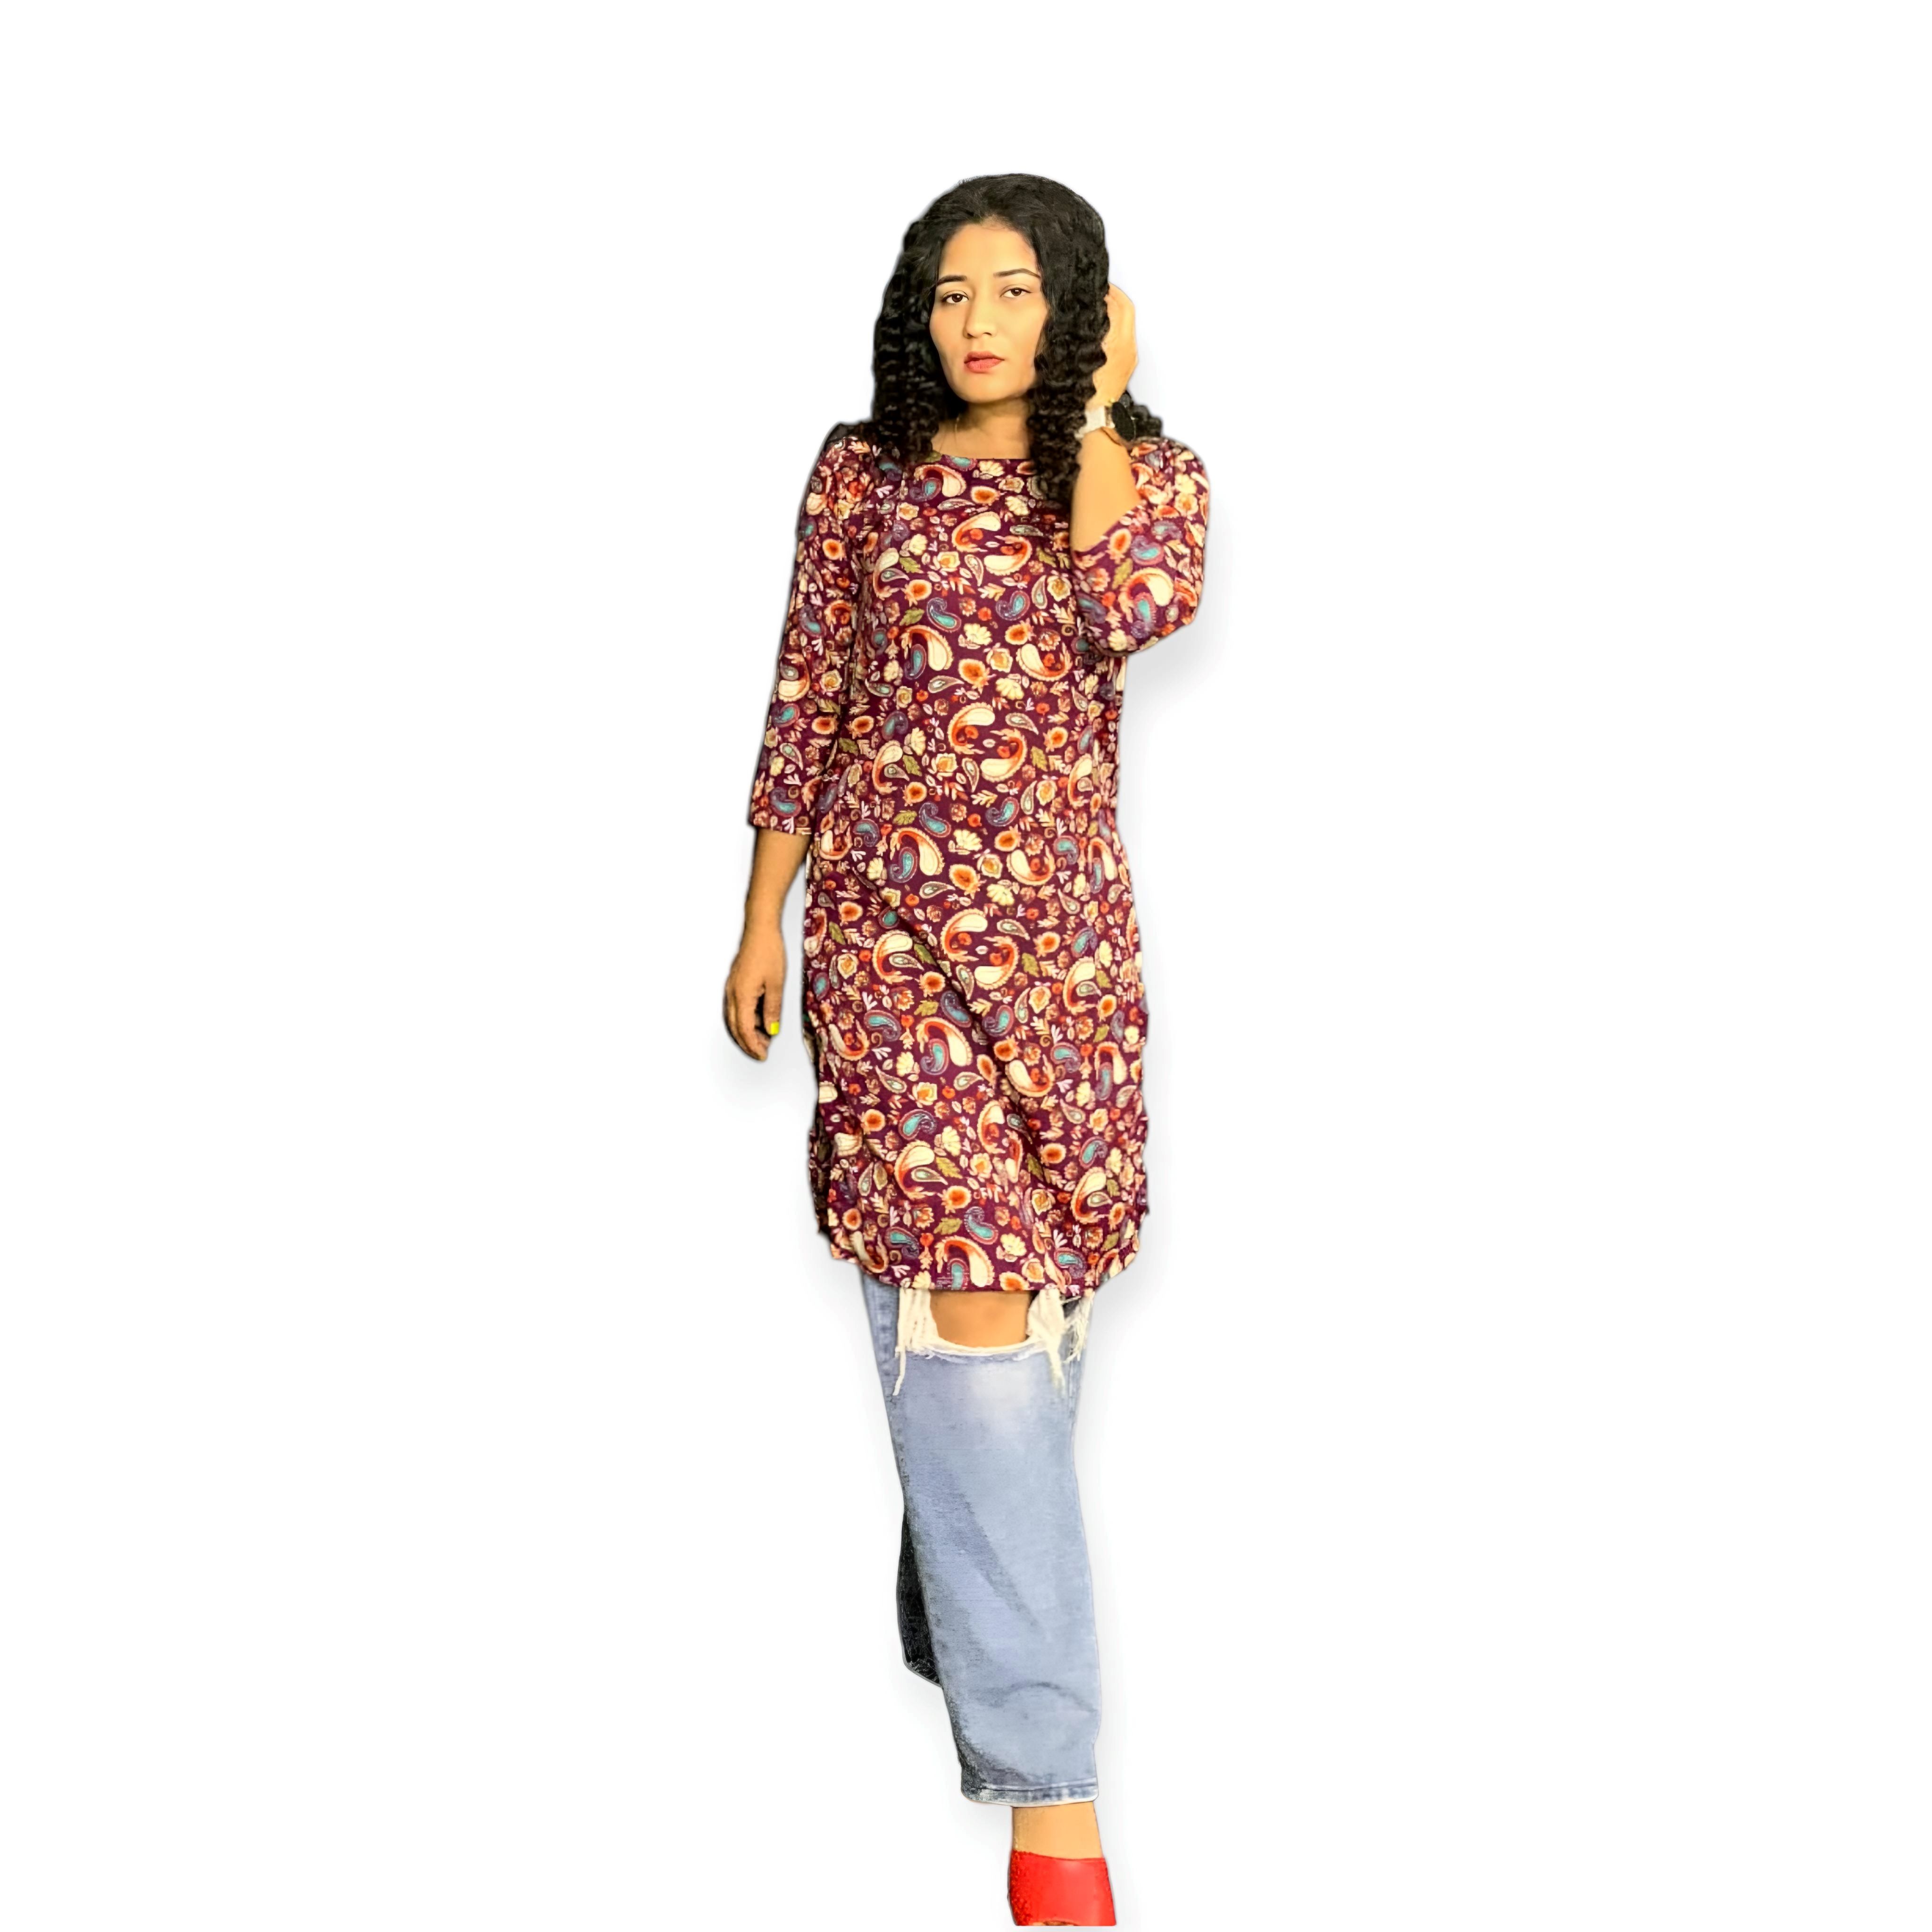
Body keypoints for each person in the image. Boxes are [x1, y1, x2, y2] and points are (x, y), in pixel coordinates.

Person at [722, 173, 1210, 1927]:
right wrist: (763, 915)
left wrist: (1098, 406)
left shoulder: (1137, 474)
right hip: (889, 955)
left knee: (1025, 1323)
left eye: (1015, 290)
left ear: (1074, 306)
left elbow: (1140, 603)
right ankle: (1053, 1802)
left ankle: (968, 1573)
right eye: (950, 293)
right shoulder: (861, 477)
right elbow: (810, 698)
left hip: (1061, 973)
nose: (978, 321)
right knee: (977, 1332)